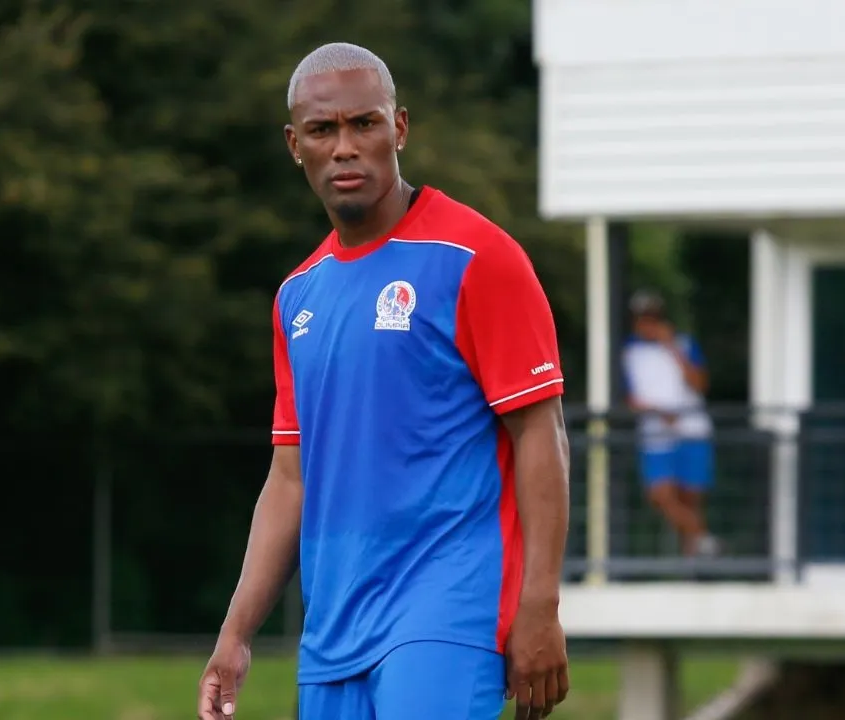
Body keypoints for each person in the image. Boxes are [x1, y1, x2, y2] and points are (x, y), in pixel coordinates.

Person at [197, 42, 571, 720]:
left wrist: (539, 605)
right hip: (333, 630)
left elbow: (541, 434)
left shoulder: (477, 257)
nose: (345, 147)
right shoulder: (298, 297)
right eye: (323, 129)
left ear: (398, 128)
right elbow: (290, 478)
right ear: (295, 144)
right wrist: (236, 634)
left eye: (364, 124)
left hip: (447, 613)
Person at [622, 289, 720, 557]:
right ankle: (703, 537)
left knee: (691, 498)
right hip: (655, 433)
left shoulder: (685, 345)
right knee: (660, 495)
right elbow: (629, 397)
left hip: (692, 430)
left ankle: (693, 564)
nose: (648, 325)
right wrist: (655, 411)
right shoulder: (630, 354)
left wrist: (672, 348)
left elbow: (700, 384)